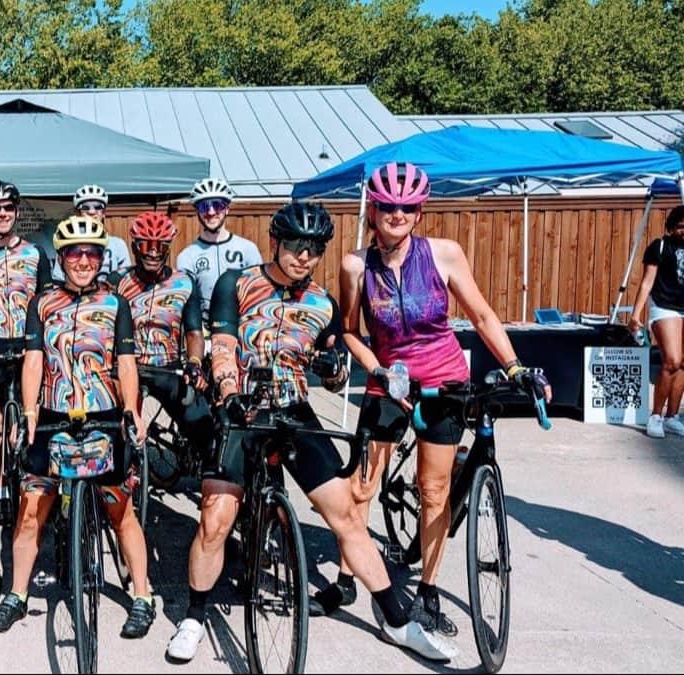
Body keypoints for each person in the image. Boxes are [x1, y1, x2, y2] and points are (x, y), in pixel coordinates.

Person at [166, 203, 456, 665]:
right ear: (275, 242)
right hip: (241, 410)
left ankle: (398, 621)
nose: (304, 256)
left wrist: (334, 370)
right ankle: (195, 616)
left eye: (315, 249)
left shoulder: (323, 302)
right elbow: (221, 346)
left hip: (293, 410)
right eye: (297, 245)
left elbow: (337, 367)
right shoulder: (235, 284)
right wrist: (227, 389)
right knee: (216, 519)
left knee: (347, 517)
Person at [334, 161, 551, 636]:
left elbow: (482, 315)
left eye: (407, 206)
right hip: (387, 379)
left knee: (433, 491)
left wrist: (514, 366)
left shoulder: (444, 254)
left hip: (444, 378)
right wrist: (377, 371)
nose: (397, 213)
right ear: (373, 210)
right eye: (388, 205)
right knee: (361, 488)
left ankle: (427, 591)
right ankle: (347, 575)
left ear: (418, 211)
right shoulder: (355, 265)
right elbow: (349, 331)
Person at [0, 215, 156, 640]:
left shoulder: (117, 304)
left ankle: (143, 596)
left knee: (120, 510)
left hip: (103, 417)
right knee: (30, 513)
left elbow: (127, 362)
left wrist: (132, 410)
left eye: (92, 253)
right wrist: (27, 413)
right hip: (52, 418)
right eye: (75, 253)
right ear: (61, 258)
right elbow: (34, 360)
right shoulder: (42, 303)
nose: (83, 260)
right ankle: (17, 594)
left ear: (101, 258)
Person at [0, 180, 53, 526]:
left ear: (17, 212)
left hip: (27, 345)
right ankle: (1, 490)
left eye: (8, 208)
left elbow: (50, 305)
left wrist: (42, 343)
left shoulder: (35, 254)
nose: (2, 214)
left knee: (29, 419)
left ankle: (31, 485)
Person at [112, 210, 213, 458]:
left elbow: (193, 332)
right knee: (120, 433)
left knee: (205, 431)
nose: (153, 251)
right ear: (135, 247)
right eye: (147, 244)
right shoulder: (117, 281)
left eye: (161, 245)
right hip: (129, 367)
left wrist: (195, 363)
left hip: (168, 367)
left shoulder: (184, 282)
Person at [629, 204, 684, 438]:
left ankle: (672, 416)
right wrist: (635, 314)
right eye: (681, 226)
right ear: (671, 227)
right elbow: (646, 282)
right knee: (671, 361)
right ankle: (655, 416)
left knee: (683, 364)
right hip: (664, 307)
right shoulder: (659, 247)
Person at [176, 177, 262, 323]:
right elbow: (186, 302)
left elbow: (258, 293)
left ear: (227, 209)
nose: (210, 212)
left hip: (240, 326)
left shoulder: (248, 249)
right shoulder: (187, 256)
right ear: (197, 211)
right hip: (204, 331)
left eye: (217, 205)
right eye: (204, 206)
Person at [49, 184, 131, 281]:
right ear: (78, 213)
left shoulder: (118, 245)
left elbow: (126, 279)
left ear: (104, 213)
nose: (92, 212)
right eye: (85, 207)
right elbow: (59, 280)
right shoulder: (66, 243)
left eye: (98, 207)